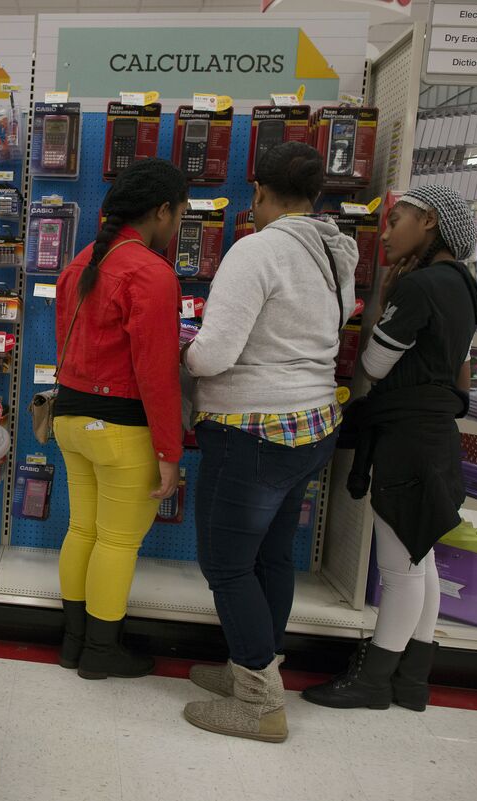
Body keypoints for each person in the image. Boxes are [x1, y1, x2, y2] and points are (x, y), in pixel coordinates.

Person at [180, 142, 357, 742]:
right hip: (312, 426)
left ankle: (259, 702)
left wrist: (181, 353)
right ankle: (253, 668)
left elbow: (215, 355)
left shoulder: (256, 250)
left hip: (252, 431)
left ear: (258, 191)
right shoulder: (337, 251)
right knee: (271, 557)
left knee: (226, 565)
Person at [302, 184, 477, 712]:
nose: (386, 230)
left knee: (400, 569)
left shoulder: (421, 286)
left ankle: (374, 680)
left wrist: (385, 305)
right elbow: (461, 370)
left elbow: (375, 365)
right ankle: (411, 679)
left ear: (429, 222)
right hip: (435, 436)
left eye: (397, 218)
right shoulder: (465, 286)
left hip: (405, 439)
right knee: (418, 556)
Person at [53, 159, 188, 681]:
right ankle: (103, 651)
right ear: (161, 211)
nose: (178, 228)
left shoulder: (80, 263)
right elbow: (157, 375)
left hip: (70, 419)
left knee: (82, 528)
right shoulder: (151, 274)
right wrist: (169, 453)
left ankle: (74, 643)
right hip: (121, 430)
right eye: (178, 215)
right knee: (117, 541)